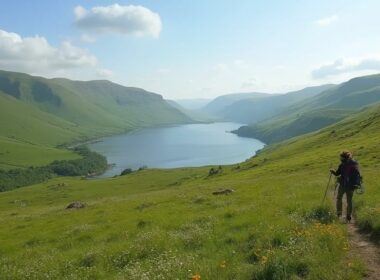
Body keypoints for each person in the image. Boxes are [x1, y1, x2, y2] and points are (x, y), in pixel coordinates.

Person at [330, 151, 361, 223]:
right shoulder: (354, 163)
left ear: (344, 157)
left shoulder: (342, 165)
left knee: (339, 198)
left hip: (343, 185)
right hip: (352, 186)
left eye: (341, 157)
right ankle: (349, 215)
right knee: (349, 200)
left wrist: (332, 171)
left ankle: (339, 214)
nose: (340, 158)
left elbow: (337, 174)